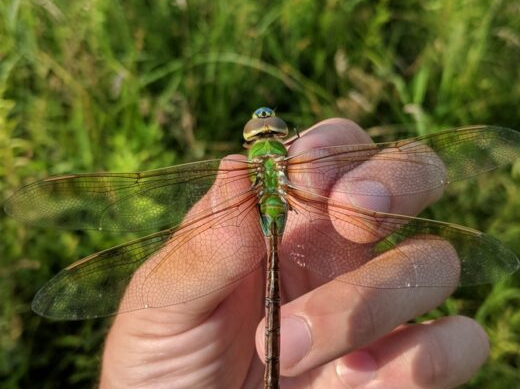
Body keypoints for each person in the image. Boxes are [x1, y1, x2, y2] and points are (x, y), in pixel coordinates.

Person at [99, 118, 489, 388]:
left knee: (357, 201)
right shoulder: (286, 160)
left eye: (269, 129)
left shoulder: (260, 166)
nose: (265, 126)